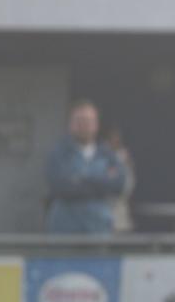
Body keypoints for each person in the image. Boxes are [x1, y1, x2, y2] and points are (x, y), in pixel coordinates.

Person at [45, 100, 126, 234]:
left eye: (88, 121)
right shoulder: (58, 154)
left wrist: (79, 179)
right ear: (70, 124)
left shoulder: (107, 155)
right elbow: (59, 186)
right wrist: (101, 181)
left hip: (98, 227)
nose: (84, 125)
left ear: (96, 125)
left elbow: (118, 184)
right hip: (65, 229)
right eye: (79, 120)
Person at [105, 124, 136, 233]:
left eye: (116, 137)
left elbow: (129, 184)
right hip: (101, 207)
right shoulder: (99, 156)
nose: (114, 140)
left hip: (119, 207)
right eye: (111, 137)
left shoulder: (124, 156)